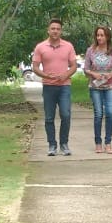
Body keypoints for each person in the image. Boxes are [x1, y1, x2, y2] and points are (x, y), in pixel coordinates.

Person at [32, 18, 77, 156]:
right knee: (49, 118)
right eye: (53, 28)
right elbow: (34, 67)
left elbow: (74, 65)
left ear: (61, 31)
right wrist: (45, 76)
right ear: (48, 30)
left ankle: (64, 144)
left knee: (66, 114)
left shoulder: (68, 46)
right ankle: (52, 145)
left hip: (64, 86)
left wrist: (66, 74)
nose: (55, 31)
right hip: (48, 87)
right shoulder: (40, 47)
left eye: (58, 29)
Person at [83, 25, 112, 154]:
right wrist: (93, 74)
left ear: (108, 36)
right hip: (95, 87)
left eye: (102, 35)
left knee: (110, 113)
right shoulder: (91, 51)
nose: (99, 37)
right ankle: (98, 143)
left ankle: (108, 143)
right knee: (98, 114)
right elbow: (86, 69)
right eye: (98, 35)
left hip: (110, 86)